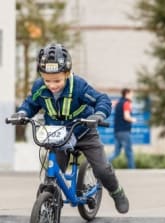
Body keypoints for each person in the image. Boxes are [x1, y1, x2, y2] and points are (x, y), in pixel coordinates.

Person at [11, 43, 129, 213]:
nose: (52, 85)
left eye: (57, 80)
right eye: (47, 80)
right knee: (52, 173)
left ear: (67, 74)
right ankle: (49, 207)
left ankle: (117, 192)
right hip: (58, 134)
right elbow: (30, 103)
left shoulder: (79, 86)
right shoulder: (39, 87)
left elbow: (101, 99)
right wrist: (22, 113)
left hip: (84, 132)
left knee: (102, 169)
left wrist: (98, 115)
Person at [109, 88, 137, 169]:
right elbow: (126, 117)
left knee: (116, 152)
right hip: (124, 131)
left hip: (117, 131)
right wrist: (133, 119)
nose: (132, 96)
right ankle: (132, 170)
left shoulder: (118, 102)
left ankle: (102, 164)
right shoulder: (126, 103)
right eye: (132, 94)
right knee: (129, 152)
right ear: (127, 93)